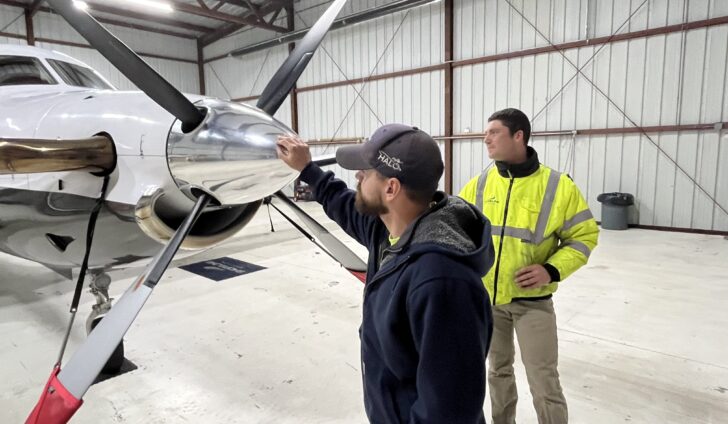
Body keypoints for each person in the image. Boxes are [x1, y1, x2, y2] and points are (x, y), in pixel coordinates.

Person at [277, 124, 495, 423]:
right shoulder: (390, 233)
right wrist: (308, 170)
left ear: (391, 188)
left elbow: (449, 410)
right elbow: (346, 206)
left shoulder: (443, 283)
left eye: (365, 172)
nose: (357, 177)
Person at [459, 108, 599, 424]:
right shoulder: (479, 185)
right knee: (497, 371)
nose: (486, 138)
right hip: (490, 302)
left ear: (518, 135)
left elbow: (584, 236)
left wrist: (550, 270)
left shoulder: (558, 186)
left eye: (494, 132)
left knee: (543, 379)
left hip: (532, 304)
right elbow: (458, 233)